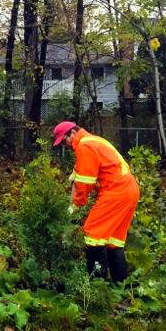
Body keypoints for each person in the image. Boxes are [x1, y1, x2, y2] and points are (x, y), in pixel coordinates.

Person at [52, 121, 139, 283]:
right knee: (114, 241)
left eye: (64, 140)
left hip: (115, 191)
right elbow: (84, 170)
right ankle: (119, 285)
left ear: (72, 133)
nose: (66, 145)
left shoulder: (84, 146)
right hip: (129, 190)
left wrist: (75, 205)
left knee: (91, 234)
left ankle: (97, 286)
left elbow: (86, 182)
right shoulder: (93, 141)